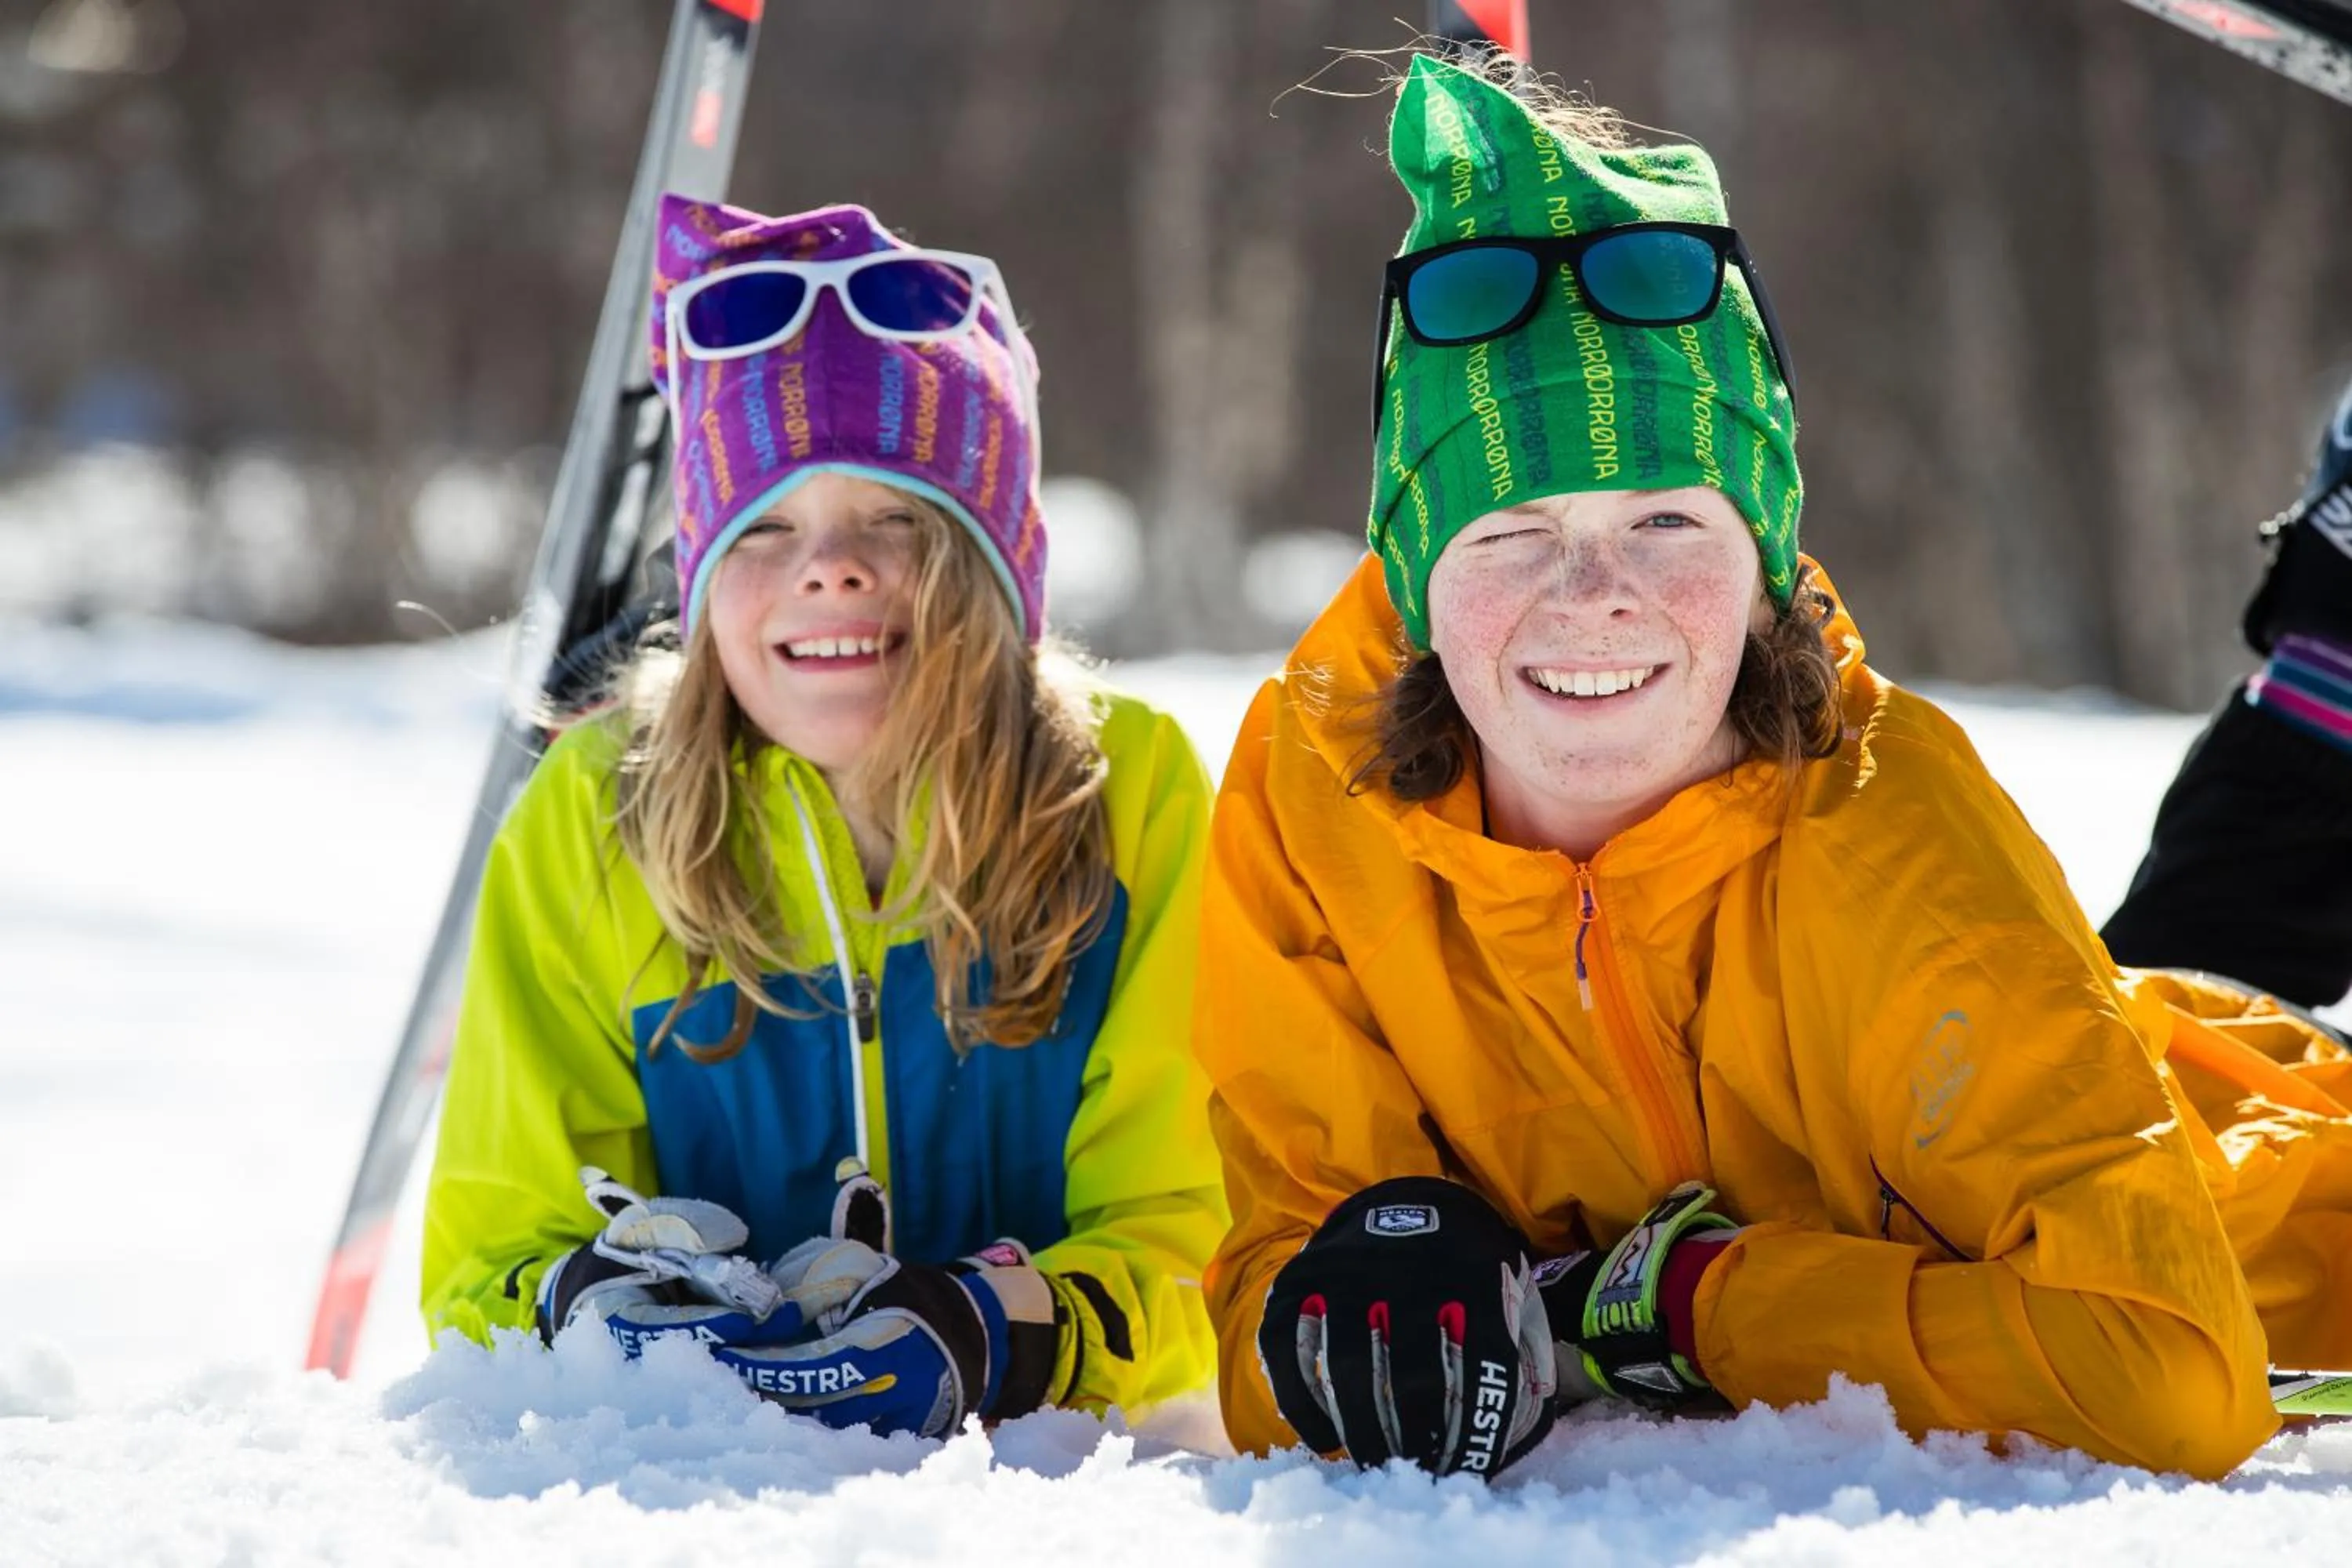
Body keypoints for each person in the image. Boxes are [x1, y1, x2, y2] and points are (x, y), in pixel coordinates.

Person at [1194, 53, 2352, 1483]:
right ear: (1416, 581)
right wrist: (1361, 1290)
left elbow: (2166, 1375)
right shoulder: (1316, 799)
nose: (1593, 597)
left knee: (2250, 913)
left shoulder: (1889, 826)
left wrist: (1687, 1304)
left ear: (1769, 571)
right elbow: (1272, 1313)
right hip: (2034, 1078)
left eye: (1668, 523)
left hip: (2277, 1201)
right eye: (1509, 534)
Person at [421, 194, 1225, 1439]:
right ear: (702, 582)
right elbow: (494, 1259)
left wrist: (1009, 1333)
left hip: (1057, 1488)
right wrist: (593, 1310)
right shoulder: (597, 815)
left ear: (997, 564)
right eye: (767, 526)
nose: (830, 566)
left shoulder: (1125, 793)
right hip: (697, 1490)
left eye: (898, 518)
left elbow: (1195, 1239)